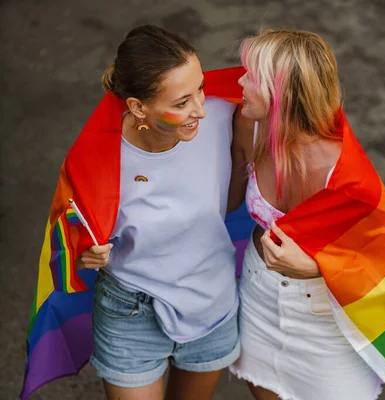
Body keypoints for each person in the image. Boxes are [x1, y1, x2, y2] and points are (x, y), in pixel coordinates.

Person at [227, 29, 385, 400]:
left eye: (251, 77)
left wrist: (316, 268)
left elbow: (382, 260)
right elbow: (224, 205)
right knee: (265, 389)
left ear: (280, 93)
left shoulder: (349, 176)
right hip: (259, 295)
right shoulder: (247, 124)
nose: (239, 81)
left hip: (325, 316)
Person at [51, 25, 243, 400]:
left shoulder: (225, 116)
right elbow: (70, 236)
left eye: (201, 88)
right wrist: (85, 253)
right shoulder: (96, 160)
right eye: (182, 102)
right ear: (138, 107)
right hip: (130, 312)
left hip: (212, 302)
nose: (200, 110)